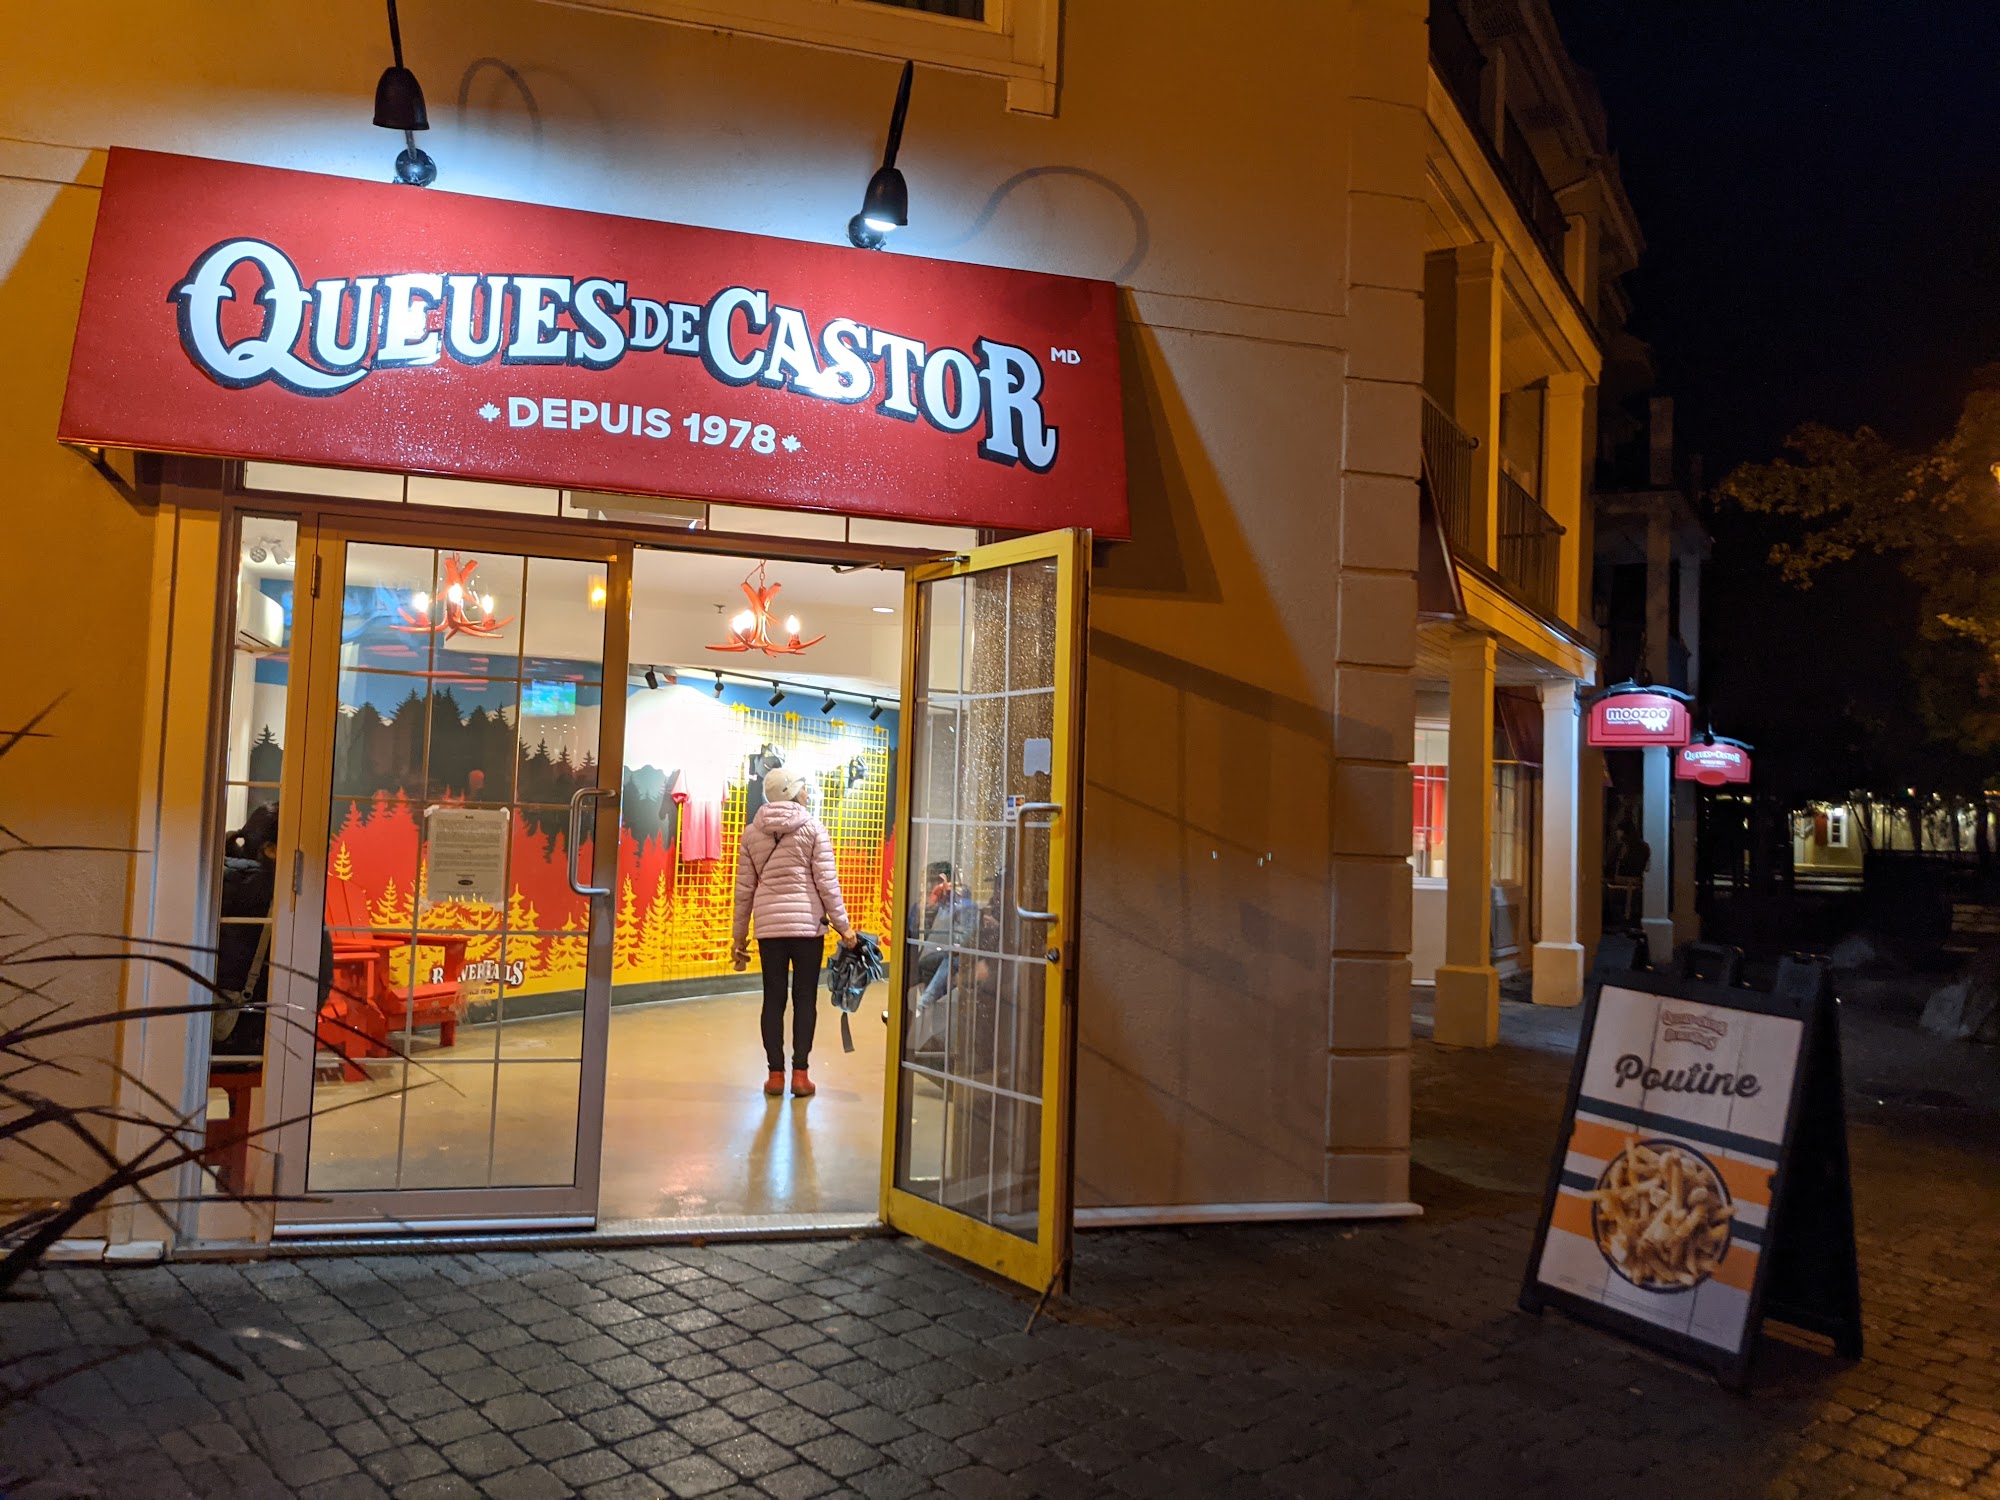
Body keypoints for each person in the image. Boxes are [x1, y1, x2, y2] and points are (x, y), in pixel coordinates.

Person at [731, 764, 858, 1098]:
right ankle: (800, 1075)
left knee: (773, 999)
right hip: (807, 929)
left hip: (769, 929)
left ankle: (775, 1076)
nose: (806, 791)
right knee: (805, 999)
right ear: (793, 792)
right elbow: (827, 885)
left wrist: (738, 936)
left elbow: (744, 889)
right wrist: (844, 928)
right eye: (803, 787)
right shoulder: (813, 828)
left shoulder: (750, 833)